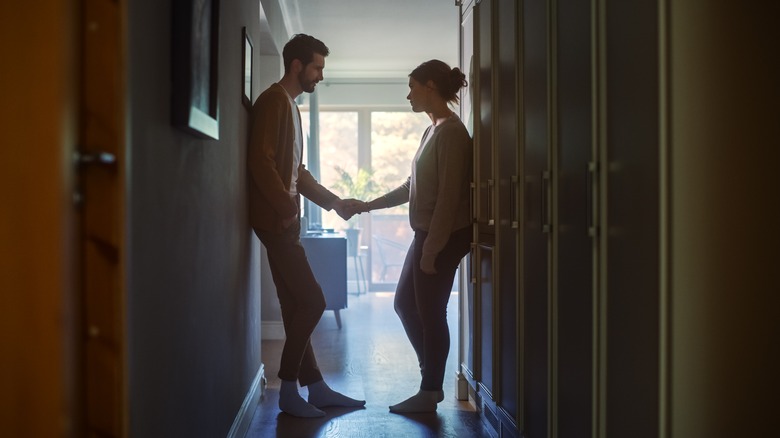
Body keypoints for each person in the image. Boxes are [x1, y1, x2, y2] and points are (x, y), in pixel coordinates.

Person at [247, 34, 365, 418]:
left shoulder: (292, 108)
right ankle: (288, 388)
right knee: (313, 301)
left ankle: (315, 388)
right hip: (277, 222)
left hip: (285, 222)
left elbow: (297, 172)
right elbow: (261, 162)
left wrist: (334, 203)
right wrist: (286, 208)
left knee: (295, 303)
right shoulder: (273, 102)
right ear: (297, 65)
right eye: (317, 68)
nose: (320, 76)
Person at [355, 59, 472, 413]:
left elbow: (450, 198)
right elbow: (413, 186)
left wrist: (431, 249)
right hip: (426, 234)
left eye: (412, 86)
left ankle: (430, 389)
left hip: (444, 235)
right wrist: (367, 205)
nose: (408, 95)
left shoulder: (452, 133)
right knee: (405, 304)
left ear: (431, 86)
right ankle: (430, 379)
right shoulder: (431, 130)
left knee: (431, 311)